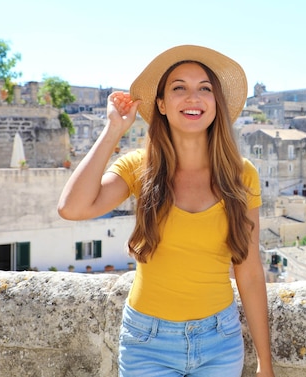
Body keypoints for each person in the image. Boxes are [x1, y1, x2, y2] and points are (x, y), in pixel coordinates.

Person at [58, 45, 275, 377]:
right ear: (160, 104)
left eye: (205, 88)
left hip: (220, 342)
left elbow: (249, 271)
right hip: (147, 343)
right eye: (179, 88)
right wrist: (113, 129)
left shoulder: (242, 175)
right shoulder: (138, 166)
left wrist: (265, 363)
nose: (193, 97)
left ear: (216, 103)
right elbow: (72, 208)